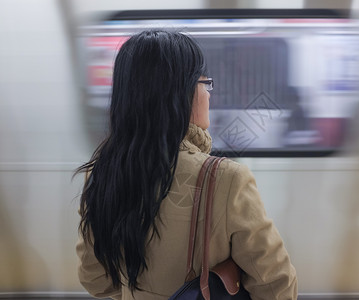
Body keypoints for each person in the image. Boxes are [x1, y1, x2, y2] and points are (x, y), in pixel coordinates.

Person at [75, 30, 298, 300]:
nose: (209, 95)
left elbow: (95, 278)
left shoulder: (102, 173)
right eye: (206, 84)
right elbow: (275, 285)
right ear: (184, 92)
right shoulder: (226, 179)